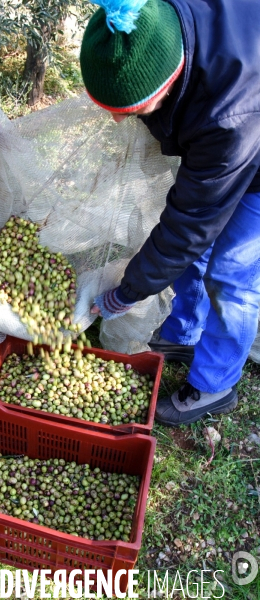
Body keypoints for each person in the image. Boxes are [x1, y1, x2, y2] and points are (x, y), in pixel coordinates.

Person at [79, 0, 260, 426]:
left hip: (253, 139)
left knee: (232, 271)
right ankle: (183, 335)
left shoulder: (228, 115)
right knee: (194, 255)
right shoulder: (155, 19)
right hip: (231, 126)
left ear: (167, 85)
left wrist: (127, 293)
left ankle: (214, 385)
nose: (120, 123)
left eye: (133, 113)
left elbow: (189, 226)